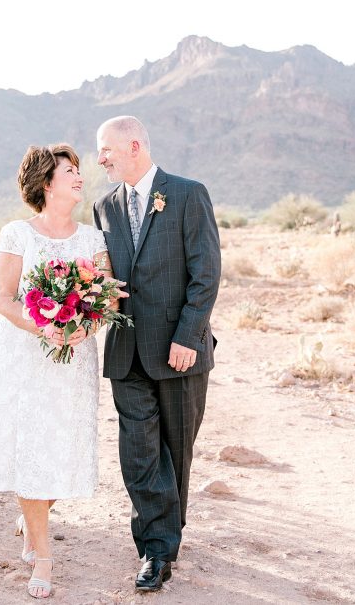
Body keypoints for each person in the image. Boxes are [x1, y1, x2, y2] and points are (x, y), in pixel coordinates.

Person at [0, 143, 120, 599]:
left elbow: (108, 299)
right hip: (22, 356)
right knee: (29, 449)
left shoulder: (93, 239)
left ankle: (31, 515)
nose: (80, 176)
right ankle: (43, 555)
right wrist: (46, 327)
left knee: (61, 451)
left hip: (73, 360)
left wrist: (83, 325)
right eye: (70, 171)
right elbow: (4, 299)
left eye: (79, 170)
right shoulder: (18, 234)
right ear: (46, 183)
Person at [92, 116, 221, 592]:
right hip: (127, 351)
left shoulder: (187, 194)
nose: (100, 158)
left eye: (105, 149)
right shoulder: (103, 206)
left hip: (178, 352)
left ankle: (167, 535)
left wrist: (189, 335)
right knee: (139, 453)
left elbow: (206, 272)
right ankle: (155, 549)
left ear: (133, 145)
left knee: (176, 453)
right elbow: (104, 275)